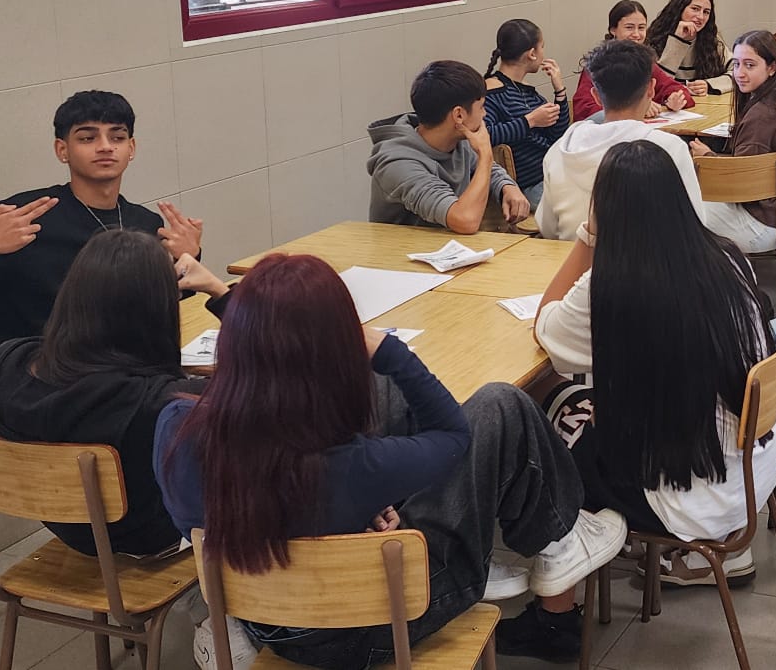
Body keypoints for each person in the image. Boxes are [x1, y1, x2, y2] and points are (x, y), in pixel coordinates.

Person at [155, 254, 626, 666]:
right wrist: (389, 351)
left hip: (264, 621)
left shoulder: (176, 426)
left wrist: (345, 523)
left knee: (382, 398)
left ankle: (549, 538)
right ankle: (560, 536)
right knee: (500, 405)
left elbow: (195, 525)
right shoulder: (357, 466)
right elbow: (454, 434)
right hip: (373, 629)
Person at [533, 140, 776, 587]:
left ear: (604, 208)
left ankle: (573, 566)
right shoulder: (728, 256)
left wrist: (587, 237)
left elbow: (545, 324)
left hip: (691, 495)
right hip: (751, 470)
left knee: (545, 424)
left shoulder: (612, 284)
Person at [0, 230, 225, 558]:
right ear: (159, 311)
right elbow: (274, 379)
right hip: (146, 536)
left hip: (66, 526)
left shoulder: (1, 365)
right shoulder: (162, 402)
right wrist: (220, 292)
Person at [0, 90, 205, 364]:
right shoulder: (25, 218)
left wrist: (186, 260)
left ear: (131, 148)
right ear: (62, 150)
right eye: (88, 138)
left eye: (117, 137)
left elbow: (164, 311)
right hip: (33, 375)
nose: (105, 146)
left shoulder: (143, 225)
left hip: (115, 370)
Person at [536, 40, 702, 240]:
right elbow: (695, 223)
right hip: (648, 258)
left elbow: (548, 228)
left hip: (573, 255)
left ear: (596, 96)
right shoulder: (670, 148)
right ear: (651, 89)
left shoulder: (560, 148)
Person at [689, 30, 776, 254]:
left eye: (749, 65)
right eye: (736, 64)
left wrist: (708, 158)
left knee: (680, 209)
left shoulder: (763, 115)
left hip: (769, 222)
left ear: (772, 68)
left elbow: (741, 184)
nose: (739, 73)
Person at [367, 61, 531, 234]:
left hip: (449, 244)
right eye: (482, 107)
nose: (485, 114)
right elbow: (465, 220)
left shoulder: (458, 139)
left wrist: (507, 186)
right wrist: (485, 154)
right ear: (458, 115)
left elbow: (486, 169)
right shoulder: (398, 164)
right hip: (401, 249)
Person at [480, 18, 571, 210]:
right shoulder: (491, 92)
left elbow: (557, 135)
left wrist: (560, 91)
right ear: (532, 54)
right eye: (542, 47)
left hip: (552, 173)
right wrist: (529, 121)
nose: (543, 53)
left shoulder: (527, 91)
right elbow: (484, 135)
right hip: (530, 185)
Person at [571, 0, 691, 122]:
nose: (636, 34)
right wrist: (637, 109)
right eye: (629, 28)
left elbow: (677, 90)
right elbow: (583, 110)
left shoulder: (645, 63)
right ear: (613, 29)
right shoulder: (599, 64)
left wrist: (674, 99)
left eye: (641, 28)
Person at [647, 0, 731, 98]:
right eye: (695, 9)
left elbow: (740, 73)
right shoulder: (655, 39)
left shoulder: (712, 39)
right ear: (680, 8)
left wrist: (709, 85)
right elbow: (658, 85)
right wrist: (678, 41)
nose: (700, 17)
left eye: (706, 12)